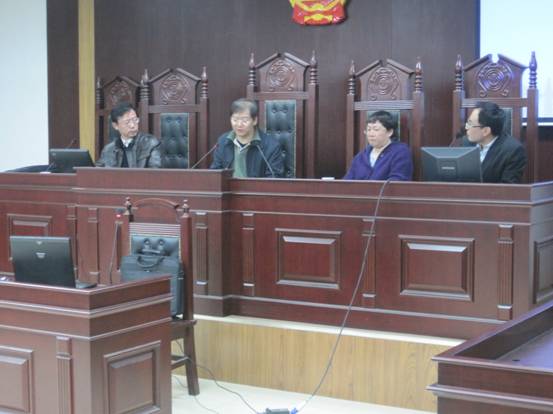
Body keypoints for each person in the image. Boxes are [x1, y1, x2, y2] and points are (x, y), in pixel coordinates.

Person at [210, 99, 284, 178]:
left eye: (244, 120)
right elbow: (215, 173)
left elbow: (274, 179)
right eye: (235, 120)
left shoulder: (271, 146)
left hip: (256, 186)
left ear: (255, 120)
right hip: (228, 186)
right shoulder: (223, 141)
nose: (239, 124)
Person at [463, 101, 526, 183]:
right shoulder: (464, 143)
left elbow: (508, 187)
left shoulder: (513, 151)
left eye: (470, 124)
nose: (466, 127)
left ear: (486, 131)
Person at [343, 110, 413, 180]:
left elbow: (398, 180)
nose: (371, 134)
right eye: (368, 130)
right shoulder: (361, 156)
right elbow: (347, 181)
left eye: (376, 129)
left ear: (390, 132)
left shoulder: (400, 152)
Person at [96, 102, 162, 168]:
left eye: (135, 120)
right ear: (115, 125)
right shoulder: (108, 150)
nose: (132, 125)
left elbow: (155, 172)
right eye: (127, 122)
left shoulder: (151, 144)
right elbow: (98, 171)